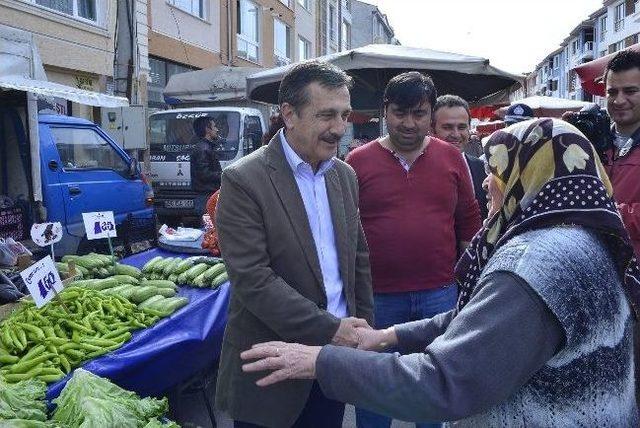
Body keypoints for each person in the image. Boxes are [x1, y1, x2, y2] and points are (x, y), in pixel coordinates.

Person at [241, 118, 640, 426]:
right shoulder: (580, 239)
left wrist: (321, 362)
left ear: (530, 177)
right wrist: (389, 336)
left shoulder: (536, 262)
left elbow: (444, 380)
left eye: (497, 171)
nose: (485, 183)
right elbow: (482, 318)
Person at [214, 60, 374, 428]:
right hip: (272, 367)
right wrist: (331, 328)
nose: (339, 129)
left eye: (345, 115)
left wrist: (363, 330)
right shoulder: (243, 180)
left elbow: (358, 259)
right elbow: (254, 280)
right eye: (326, 116)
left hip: (333, 360)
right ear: (288, 113)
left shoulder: (345, 175)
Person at [345, 72, 482, 428]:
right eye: (400, 113)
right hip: (376, 298)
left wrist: (471, 286)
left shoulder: (453, 159)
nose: (409, 123)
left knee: (431, 393)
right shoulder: (357, 162)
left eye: (419, 114)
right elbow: (343, 230)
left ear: (430, 114)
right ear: (385, 111)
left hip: (440, 296)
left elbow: (469, 222)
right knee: (374, 389)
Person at [602, 49, 640, 259]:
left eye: (630, 91)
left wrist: (603, 212)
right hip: (593, 272)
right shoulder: (592, 143)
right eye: (612, 92)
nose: (619, 100)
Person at [432, 94, 488, 219]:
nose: (456, 134)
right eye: (447, 127)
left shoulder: (481, 167)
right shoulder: (416, 168)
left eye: (462, 127)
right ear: (432, 129)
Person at [190, 116, 223, 216]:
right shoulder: (203, 149)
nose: (217, 129)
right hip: (206, 197)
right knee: (209, 228)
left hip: (208, 196)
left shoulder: (206, 147)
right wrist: (224, 175)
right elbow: (204, 174)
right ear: (207, 129)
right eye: (214, 126)